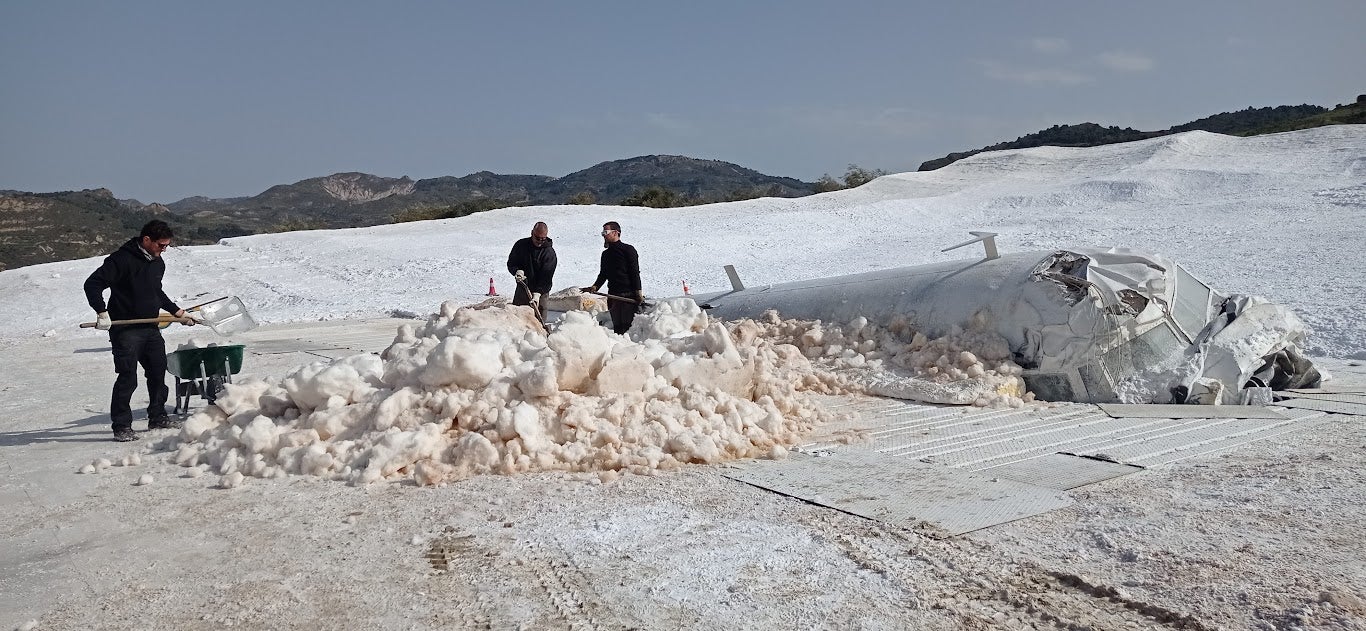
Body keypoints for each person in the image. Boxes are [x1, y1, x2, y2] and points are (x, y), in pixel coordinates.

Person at [83, 220, 196, 442]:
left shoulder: (157, 262)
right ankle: (122, 426)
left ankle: (157, 416)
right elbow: (92, 284)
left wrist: (177, 312)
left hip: (150, 328)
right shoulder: (121, 260)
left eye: (166, 246)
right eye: (160, 245)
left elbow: (156, 292)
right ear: (146, 240)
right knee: (128, 378)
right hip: (125, 330)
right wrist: (102, 312)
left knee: (157, 373)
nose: (163, 250)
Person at [581, 221, 644, 334]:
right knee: (618, 329)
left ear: (615, 233)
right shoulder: (605, 254)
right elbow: (603, 274)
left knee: (628, 330)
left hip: (628, 297)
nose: (604, 235)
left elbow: (634, 272)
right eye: (602, 233)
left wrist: (638, 291)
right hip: (613, 297)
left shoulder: (628, 250)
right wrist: (595, 287)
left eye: (606, 232)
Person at [506, 221, 557, 322]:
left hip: (541, 293)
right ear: (532, 233)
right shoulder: (520, 245)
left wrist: (538, 293)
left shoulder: (549, 253)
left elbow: (546, 277)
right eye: (537, 238)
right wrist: (517, 271)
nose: (540, 241)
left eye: (543, 239)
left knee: (538, 323)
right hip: (523, 288)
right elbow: (511, 263)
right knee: (518, 319)